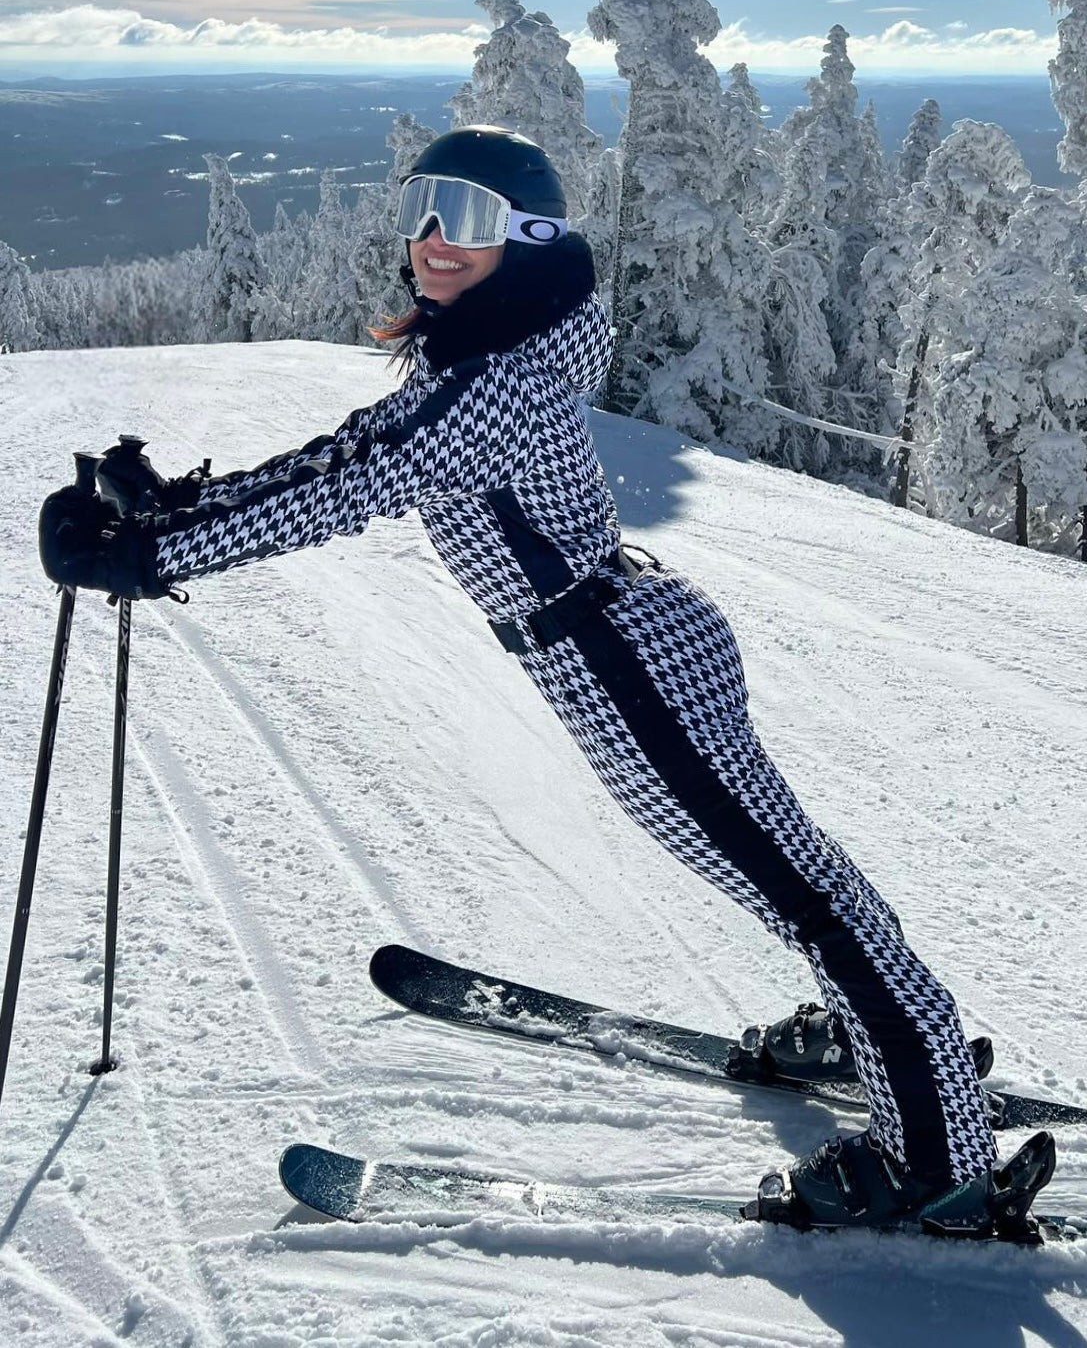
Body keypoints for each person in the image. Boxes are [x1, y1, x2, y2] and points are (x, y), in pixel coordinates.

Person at [38, 126, 1028, 1232]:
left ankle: (943, 1162)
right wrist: (167, 508)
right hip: (630, 642)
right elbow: (347, 451)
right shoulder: (485, 355)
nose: (430, 240)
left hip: (624, 665)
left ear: (529, 237)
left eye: (462, 216)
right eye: (419, 208)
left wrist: (153, 555)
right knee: (788, 875)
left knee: (807, 895)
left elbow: (357, 484)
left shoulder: (493, 382)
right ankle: (868, 1028)